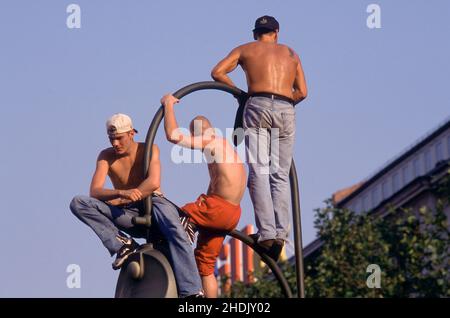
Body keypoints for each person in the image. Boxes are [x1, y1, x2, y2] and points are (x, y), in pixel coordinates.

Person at [69, 113, 203, 297]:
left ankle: (192, 292)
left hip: (154, 204)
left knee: (175, 228)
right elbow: (95, 191)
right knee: (79, 202)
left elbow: (153, 182)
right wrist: (121, 194)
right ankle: (122, 245)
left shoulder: (148, 149)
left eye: (119, 138)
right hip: (128, 214)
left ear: (131, 133)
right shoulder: (106, 156)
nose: (115, 143)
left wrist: (127, 197)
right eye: (111, 139)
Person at [211, 15, 308, 261]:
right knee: (280, 176)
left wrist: (241, 94)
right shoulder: (291, 54)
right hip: (286, 109)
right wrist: (283, 102)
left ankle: (266, 233)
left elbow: (217, 72)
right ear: (276, 32)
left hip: (257, 105)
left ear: (256, 33)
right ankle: (281, 235)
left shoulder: (246, 49)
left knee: (259, 172)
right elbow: (303, 92)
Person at [161, 94, 246, 298]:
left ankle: (182, 235)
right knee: (205, 266)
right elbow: (214, 190)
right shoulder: (224, 153)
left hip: (219, 207)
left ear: (198, 133)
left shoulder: (213, 142)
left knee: (176, 215)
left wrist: (168, 105)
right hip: (231, 214)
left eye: (194, 136)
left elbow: (172, 135)